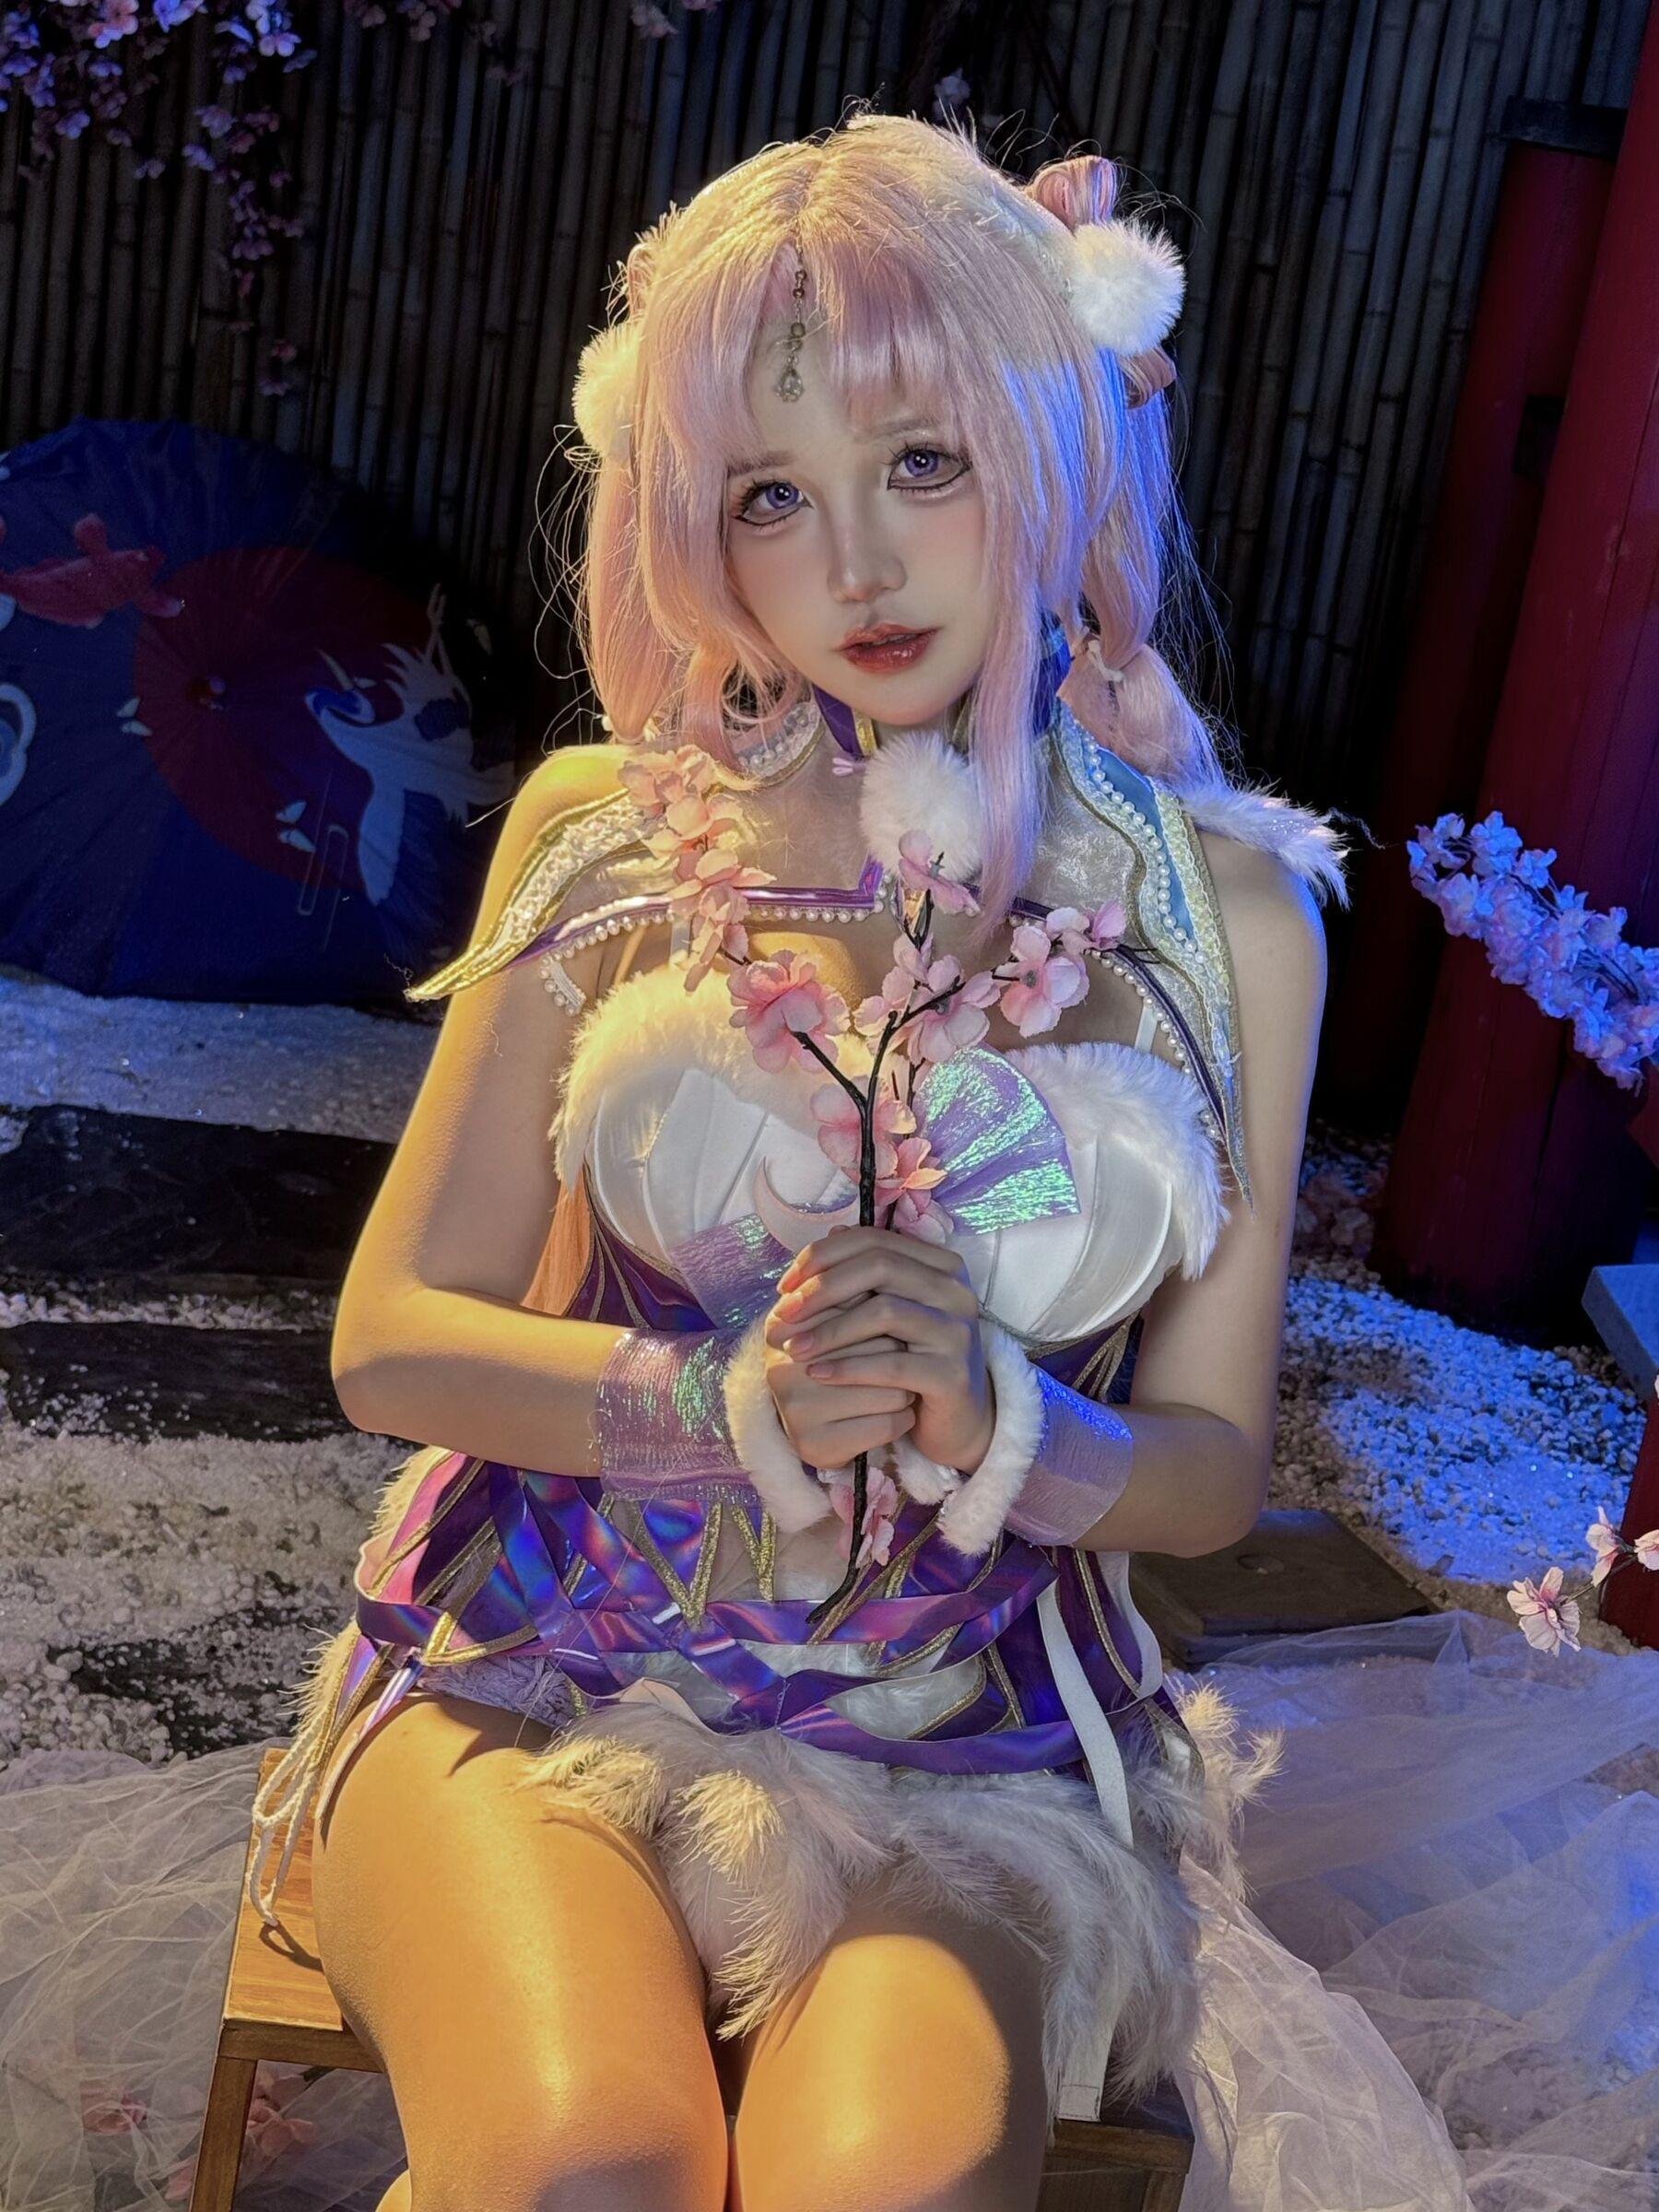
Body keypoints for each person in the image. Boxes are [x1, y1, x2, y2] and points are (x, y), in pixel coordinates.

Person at [5, 111, 1655, 2212]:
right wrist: (719, 1400)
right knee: (586, 2169)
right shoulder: (609, 829)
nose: (855, 567)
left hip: (974, 1741)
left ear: (1054, 448)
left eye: (924, 464)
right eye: (771, 494)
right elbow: (393, 1342)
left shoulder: (1222, 911)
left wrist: (1008, 1420)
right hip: (531, 1670)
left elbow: (1211, 1470)